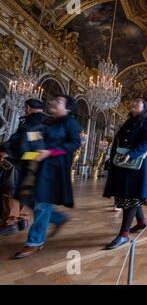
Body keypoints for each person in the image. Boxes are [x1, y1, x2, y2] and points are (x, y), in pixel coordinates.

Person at [14, 95, 81, 259]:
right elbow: (34, 138)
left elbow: (75, 143)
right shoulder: (46, 122)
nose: (53, 102)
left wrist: (50, 152)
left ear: (68, 108)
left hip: (52, 169)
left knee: (41, 204)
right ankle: (58, 218)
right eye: (54, 100)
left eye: (59, 101)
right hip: (34, 166)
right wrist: (27, 150)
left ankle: (34, 242)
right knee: (25, 198)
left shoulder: (69, 122)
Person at [103, 98, 147, 250]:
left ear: (145, 106)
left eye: (138, 102)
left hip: (135, 163)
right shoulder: (128, 121)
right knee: (129, 193)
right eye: (132, 101)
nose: (133, 103)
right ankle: (141, 222)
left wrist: (131, 154)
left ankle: (123, 234)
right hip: (121, 162)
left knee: (131, 196)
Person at [0, 99, 48, 236]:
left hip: (24, 158)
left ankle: (10, 222)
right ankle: (23, 219)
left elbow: (22, 139)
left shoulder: (33, 120)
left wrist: (6, 151)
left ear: (28, 108)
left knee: (9, 188)